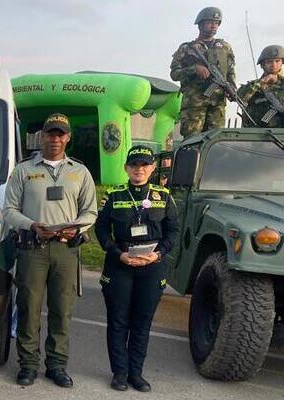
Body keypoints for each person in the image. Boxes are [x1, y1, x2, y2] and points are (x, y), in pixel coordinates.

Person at [3, 113, 98, 388]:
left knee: (62, 310)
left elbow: (90, 211)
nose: (55, 139)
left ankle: (57, 365)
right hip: (33, 248)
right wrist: (31, 225)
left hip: (66, 251)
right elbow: (10, 210)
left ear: (68, 138)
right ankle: (28, 365)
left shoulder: (79, 171)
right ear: (42, 136)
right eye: (50, 134)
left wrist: (77, 228)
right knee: (29, 308)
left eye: (61, 134)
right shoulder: (23, 170)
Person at [94, 145, 179, 392]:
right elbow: (100, 229)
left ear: (152, 168)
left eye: (144, 165)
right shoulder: (113, 195)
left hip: (152, 266)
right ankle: (120, 373)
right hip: (120, 264)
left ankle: (136, 373)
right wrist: (117, 254)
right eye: (134, 165)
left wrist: (158, 254)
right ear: (126, 168)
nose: (139, 169)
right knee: (118, 321)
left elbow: (173, 231)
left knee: (142, 322)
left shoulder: (163, 196)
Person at [170, 7, 235, 137]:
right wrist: (194, 69)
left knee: (216, 142)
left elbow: (230, 73)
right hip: (194, 104)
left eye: (216, 23)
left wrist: (232, 90)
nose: (214, 26)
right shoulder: (187, 48)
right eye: (210, 22)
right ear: (200, 25)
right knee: (191, 142)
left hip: (217, 104)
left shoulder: (225, 48)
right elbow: (174, 74)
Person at [238, 45, 284, 127]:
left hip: (280, 136)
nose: (274, 65)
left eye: (277, 61)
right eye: (269, 62)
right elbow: (239, 98)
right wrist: (261, 83)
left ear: (282, 63)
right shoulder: (252, 87)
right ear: (263, 65)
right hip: (258, 136)